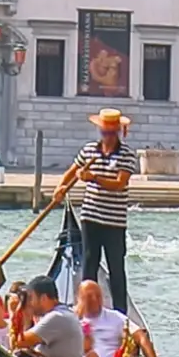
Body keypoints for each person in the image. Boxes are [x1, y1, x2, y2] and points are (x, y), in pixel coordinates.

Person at [54, 108, 139, 312]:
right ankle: (86, 309)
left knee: (116, 269)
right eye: (104, 132)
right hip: (90, 217)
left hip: (114, 222)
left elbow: (119, 183)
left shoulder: (127, 155)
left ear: (118, 132)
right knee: (89, 266)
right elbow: (72, 172)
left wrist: (93, 178)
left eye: (111, 133)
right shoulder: (89, 150)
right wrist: (60, 187)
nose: (107, 137)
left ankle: (121, 314)